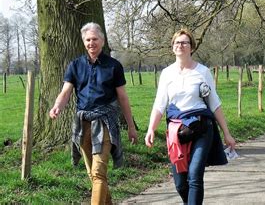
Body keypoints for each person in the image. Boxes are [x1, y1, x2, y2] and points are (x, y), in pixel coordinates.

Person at [49, 22, 138, 205]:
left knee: (98, 173)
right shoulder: (75, 65)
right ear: (84, 42)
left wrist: (130, 126)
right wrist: (57, 105)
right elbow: (66, 91)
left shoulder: (114, 66)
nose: (91, 43)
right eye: (88, 40)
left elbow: (123, 98)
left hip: (105, 123)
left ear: (102, 41)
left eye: (95, 39)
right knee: (94, 174)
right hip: (82, 124)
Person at [145, 29, 236, 205]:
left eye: (185, 42)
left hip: (202, 127)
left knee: (194, 175)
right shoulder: (167, 74)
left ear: (192, 47)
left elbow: (214, 103)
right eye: (177, 43)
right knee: (180, 184)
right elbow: (159, 104)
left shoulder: (203, 72)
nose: (181, 45)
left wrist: (227, 133)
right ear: (172, 48)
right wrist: (151, 129)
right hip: (177, 131)